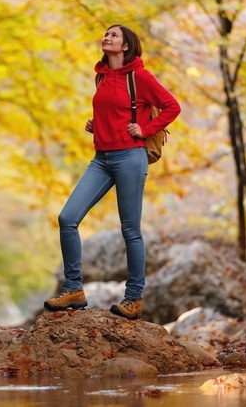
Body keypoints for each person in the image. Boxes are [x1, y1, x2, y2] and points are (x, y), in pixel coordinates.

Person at [43, 24, 180, 320]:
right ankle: (74, 289)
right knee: (67, 218)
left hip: (131, 157)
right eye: (106, 34)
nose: (107, 37)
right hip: (101, 158)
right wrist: (97, 124)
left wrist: (145, 129)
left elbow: (172, 106)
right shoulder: (101, 77)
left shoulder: (140, 77)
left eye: (114, 35)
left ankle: (133, 298)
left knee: (130, 230)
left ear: (127, 45)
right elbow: (114, 110)